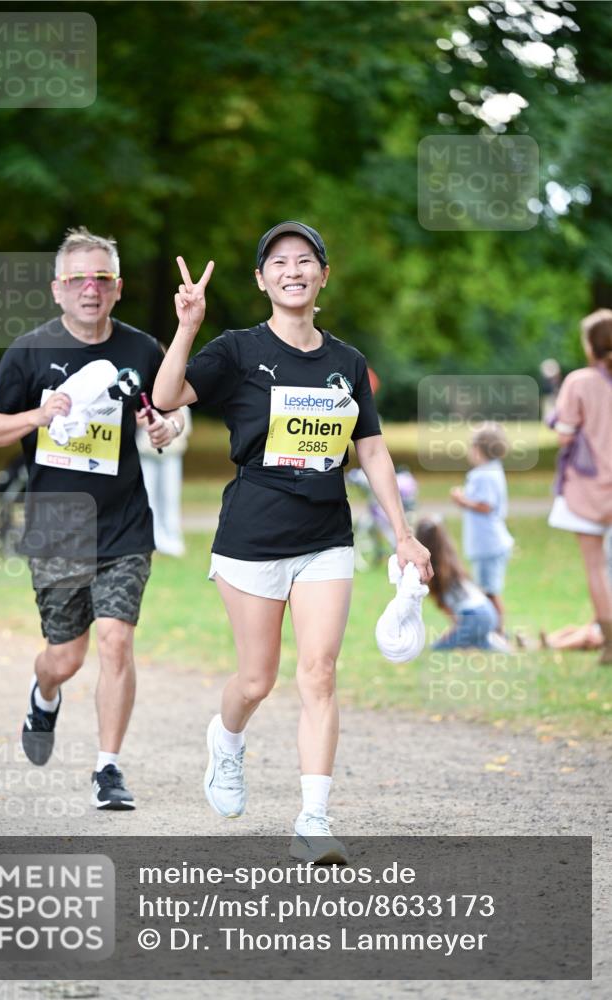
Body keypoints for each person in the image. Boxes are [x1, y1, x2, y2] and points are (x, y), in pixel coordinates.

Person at [152, 221, 432, 863]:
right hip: (250, 536)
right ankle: (226, 743)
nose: (293, 270)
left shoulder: (348, 364)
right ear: (261, 280)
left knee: (320, 674)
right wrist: (188, 325)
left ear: (323, 275)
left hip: (325, 538)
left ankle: (313, 817)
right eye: (278, 262)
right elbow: (167, 397)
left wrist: (404, 533)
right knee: (256, 681)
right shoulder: (237, 350)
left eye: (305, 260)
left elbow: (372, 450)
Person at [0, 226, 185, 809]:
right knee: (65, 658)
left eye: (102, 278)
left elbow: (170, 411)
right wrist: (36, 415)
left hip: (123, 523)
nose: (90, 288)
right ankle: (43, 695)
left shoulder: (142, 351)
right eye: (78, 279)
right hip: (57, 527)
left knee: (116, 641)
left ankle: (108, 768)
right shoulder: (30, 352)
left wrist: (168, 427)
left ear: (117, 289)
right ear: (58, 289)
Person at [547, 308, 612, 665]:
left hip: (589, 488)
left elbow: (563, 436)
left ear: (591, 345)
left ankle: (608, 640)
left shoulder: (580, 382)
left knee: (595, 566)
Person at [450, 422, 513, 636]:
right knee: (487, 589)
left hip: (489, 544)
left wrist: (461, 499)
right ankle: (494, 630)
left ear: (478, 450)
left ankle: (498, 632)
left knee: (489, 591)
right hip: (490, 543)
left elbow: (486, 505)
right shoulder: (494, 470)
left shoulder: (483, 475)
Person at [415, 518, 506, 651]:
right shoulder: (452, 565)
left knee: (439, 648)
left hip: (474, 618)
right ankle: (493, 643)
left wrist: (454, 633)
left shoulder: (437, 574)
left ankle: (482, 641)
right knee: (475, 643)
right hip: (488, 611)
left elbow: (452, 612)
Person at [136, 403, 192, 556]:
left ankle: (173, 538)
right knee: (149, 496)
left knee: (170, 495)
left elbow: (180, 415)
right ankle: (154, 539)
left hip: (172, 449)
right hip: (146, 448)